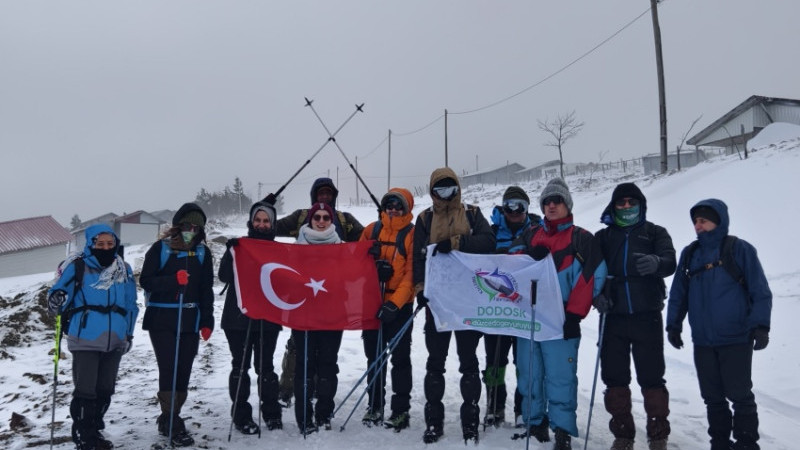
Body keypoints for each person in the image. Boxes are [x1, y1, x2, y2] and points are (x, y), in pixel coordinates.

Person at [508, 177, 607, 450]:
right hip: (529, 318)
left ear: (567, 204)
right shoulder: (530, 235)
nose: (551, 206)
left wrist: (575, 316)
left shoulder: (582, 238)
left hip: (562, 320)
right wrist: (528, 255)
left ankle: (562, 430)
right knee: (530, 374)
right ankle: (534, 422)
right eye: (547, 202)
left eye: (557, 201)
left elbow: (591, 277)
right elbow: (508, 265)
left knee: (560, 376)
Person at [666, 199, 772, 450]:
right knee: (712, 398)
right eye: (695, 221)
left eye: (703, 220)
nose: (698, 225)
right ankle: (720, 444)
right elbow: (679, 293)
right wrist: (674, 325)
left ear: (718, 221)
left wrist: (761, 326)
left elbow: (760, 290)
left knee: (740, 396)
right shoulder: (690, 253)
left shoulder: (739, 249)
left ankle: (746, 444)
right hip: (703, 340)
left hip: (735, 337)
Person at [412, 167, 496, 443]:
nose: (445, 193)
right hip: (437, 302)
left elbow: (488, 241)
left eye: (450, 188)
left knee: (469, 363)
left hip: (467, 301)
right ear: (432, 191)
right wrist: (420, 289)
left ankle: (470, 422)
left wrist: (458, 243)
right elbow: (418, 259)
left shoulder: (471, 213)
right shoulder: (424, 219)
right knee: (435, 364)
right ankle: (433, 422)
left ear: (458, 188)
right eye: (440, 188)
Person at [265, 177, 364, 406]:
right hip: (304, 297)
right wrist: (266, 205)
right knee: (297, 348)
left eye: (329, 194)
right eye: (321, 193)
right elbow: (269, 227)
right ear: (314, 196)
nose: (325, 197)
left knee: (328, 350)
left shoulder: (343, 220)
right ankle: (288, 386)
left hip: (332, 296)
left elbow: (366, 238)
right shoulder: (301, 217)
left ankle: (323, 389)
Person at [593, 183, 676, 450]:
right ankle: (623, 434)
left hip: (647, 315)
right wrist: (597, 297)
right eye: (621, 202)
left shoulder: (655, 232)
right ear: (613, 206)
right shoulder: (603, 237)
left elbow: (670, 260)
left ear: (641, 204)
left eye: (632, 202)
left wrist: (657, 263)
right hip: (613, 317)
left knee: (652, 377)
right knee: (615, 378)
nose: (627, 206)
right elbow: (591, 274)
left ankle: (658, 433)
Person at [48, 224, 138, 450]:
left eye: (110, 244)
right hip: (85, 336)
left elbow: (130, 304)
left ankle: (94, 427)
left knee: (106, 387)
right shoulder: (79, 266)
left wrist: (129, 333)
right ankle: (84, 435)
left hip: (116, 336)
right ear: (90, 244)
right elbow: (58, 293)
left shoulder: (123, 268)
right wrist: (57, 299)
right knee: (86, 389)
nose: (106, 248)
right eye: (100, 244)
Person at [139, 203, 215, 447]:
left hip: (190, 320)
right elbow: (146, 281)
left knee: (184, 370)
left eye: (196, 227)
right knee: (169, 368)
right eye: (186, 225)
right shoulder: (161, 249)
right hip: (162, 319)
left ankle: (170, 415)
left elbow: (206, 290)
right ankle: (171, 421)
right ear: (178, 226)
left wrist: (207, 320)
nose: (191, 230)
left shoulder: (203, 253)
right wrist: (173, 281)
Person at [218, 201, 283, 434]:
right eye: (258, 220)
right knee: (240, 366)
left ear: (272, 224)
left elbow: (286, 283)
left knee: (266, 368)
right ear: (251, 222)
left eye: (266, 221)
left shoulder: (280, 250)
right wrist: (231, 253)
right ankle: (241, 415)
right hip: (238, 318)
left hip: (268, 317)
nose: (262, 224)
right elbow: (224, 276)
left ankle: (272, 413)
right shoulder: (239, 246)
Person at [358, 188, 415, 431]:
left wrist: (395, 303)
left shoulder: (412, 234)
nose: (393, 209)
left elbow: (412, 273)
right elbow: (355, 264)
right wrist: (370, 264)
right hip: (372, 302)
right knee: (374, 357)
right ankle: (375, 405)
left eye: (398, 205)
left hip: (398, 307)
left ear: (406, 208)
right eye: (389, 205)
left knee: (400, 359)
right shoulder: (371, 230)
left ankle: (401, 410)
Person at [484, 186, 541, 428]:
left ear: (528, 208)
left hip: (524, 308)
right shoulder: (492, 231)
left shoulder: (537, 230)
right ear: (503, 208)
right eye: (510, 206)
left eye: (521, 206)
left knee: (524, 362)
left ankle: (522, 407)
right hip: (496, 308)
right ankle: (495, 405)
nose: (515, 211)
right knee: (494, 361)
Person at [292, 202, 344, 434]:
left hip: (332, 315)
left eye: (325, 217)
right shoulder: (296, 248)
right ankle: (304, 417)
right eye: (317, 217)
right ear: (310, 220)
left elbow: (351, 278)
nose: (321, 221)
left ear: (331, 220)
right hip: (303, 315)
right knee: (304, 365)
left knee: (328, 366)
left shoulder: (342, 247)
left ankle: (324, 413)